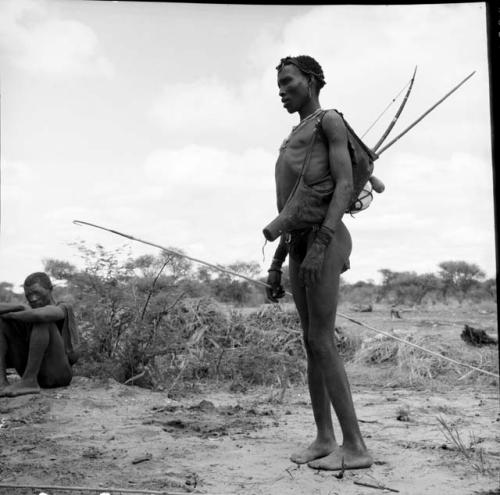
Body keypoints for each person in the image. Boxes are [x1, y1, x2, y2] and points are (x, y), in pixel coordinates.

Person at [265, 55, 373, 471]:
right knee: (311, 342)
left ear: (310, 81)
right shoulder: (294, 135)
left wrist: (320, 243)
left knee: (323, 339)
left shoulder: (328, 121)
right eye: (278, 84)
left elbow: (344, 185)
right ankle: (325, 437)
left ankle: (356, 446)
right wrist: (277, 261)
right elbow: (294, 206)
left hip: (323, 242)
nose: (281, 90)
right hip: (298, 243)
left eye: (288, 81)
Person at [0, 272, 79, 398]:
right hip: (35, 372)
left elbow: (41, 315)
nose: (33, 298)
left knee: (42, 322)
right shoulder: (28, 311)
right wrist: (20, 306)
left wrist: (12, 315)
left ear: (50, 289)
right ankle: (2, 382)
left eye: (37, 292)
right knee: (2, 323)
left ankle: (29, 381)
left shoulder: (63, 307)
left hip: (57, 374)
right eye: (29, 295)